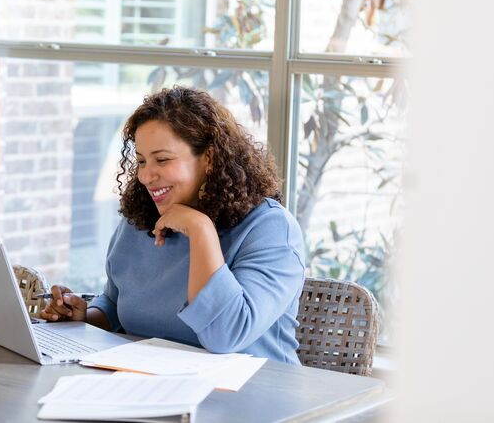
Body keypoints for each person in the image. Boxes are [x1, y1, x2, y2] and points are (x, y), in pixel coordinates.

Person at [40, 86, 305, 363]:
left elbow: (226, 335)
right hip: (151, 386)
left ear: (210, 159)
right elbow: (117, 303)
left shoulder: (270, 229)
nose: (145, 176)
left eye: (162, 159)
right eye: (141, 161)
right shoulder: (142, 217)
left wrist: (200, 229)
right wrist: (85, 318)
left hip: (255, 395)